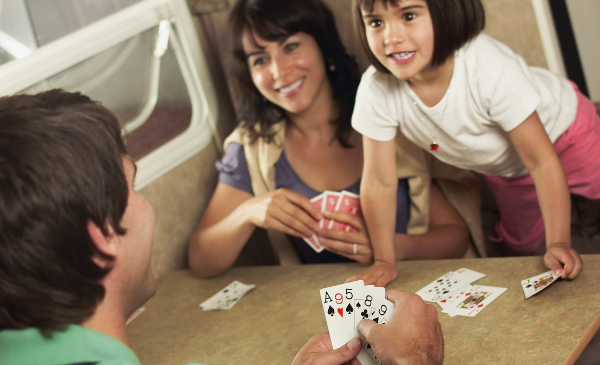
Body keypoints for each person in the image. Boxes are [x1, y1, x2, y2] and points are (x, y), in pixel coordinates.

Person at [0, 89, 444, 365]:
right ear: (101, 238)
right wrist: (415, 360)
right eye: (134, 189)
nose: (148, 207)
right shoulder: (250, 149)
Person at [188, 0, 471, 279]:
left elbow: (456, 237)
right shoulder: (251, 148)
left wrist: (391, 249)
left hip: (411, 290)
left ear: (323, 46)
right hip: (321, 312)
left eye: (291, 46)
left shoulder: (385, 120)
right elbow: (202, 261)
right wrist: (249, 212)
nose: (278, 71)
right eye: (260, 60)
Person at [348, 0, 590, 287]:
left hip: (568, 132)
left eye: (408, 16)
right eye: (376, 22)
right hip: (507, 169)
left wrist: (558, 240)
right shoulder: (376, 89)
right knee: (521, 250)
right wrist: (384, 259)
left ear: (447, 8)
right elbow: (378, 181)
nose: (391, 37)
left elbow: (542, 161)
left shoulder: (487, 68)